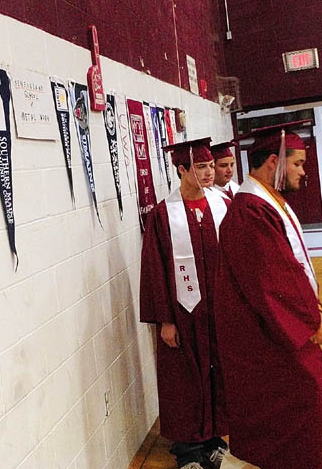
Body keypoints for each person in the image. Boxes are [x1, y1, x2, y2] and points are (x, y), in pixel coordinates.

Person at [215, 120, 322, 469]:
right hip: (272, 341)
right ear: (274, 162)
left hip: (281, 334)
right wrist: (310, 322)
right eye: (298, 163)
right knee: (305, 420)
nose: (304, 172)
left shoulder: (270, 203)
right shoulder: (250, 212)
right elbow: (273, 282)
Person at [140, 137, 230, 469]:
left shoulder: (222, 205)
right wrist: (165, 319)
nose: (209, 173)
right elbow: (155, 270)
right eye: (201, 166)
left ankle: (214, 438)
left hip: (218, 313)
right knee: (185, 380)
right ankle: (188, 449)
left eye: (210, 166)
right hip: (184, 314)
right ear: (181, 170)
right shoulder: (164, 215)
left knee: (219, 373)